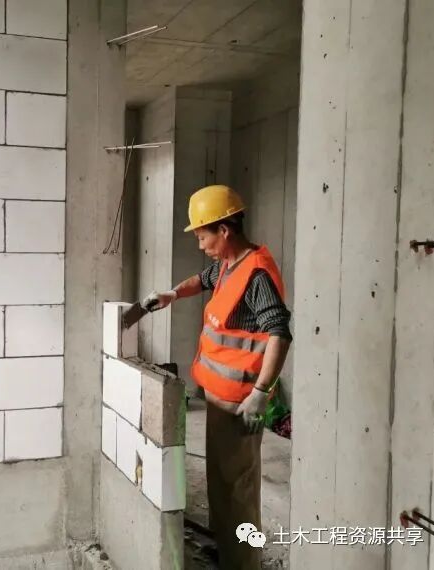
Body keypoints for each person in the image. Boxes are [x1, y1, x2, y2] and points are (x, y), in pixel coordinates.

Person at [145, 184, 292, 570]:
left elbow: (279, 333)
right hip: (218, 398)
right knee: (221, 484)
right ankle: (228, 551)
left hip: (240, 403)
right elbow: (203, 279)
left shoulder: (256, 274)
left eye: (202, 236)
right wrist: (173, 294)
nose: (200, 244)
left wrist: (261, 392)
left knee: (238, 490)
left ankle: (243, 563)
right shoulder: (229, 264)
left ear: (224, 230)